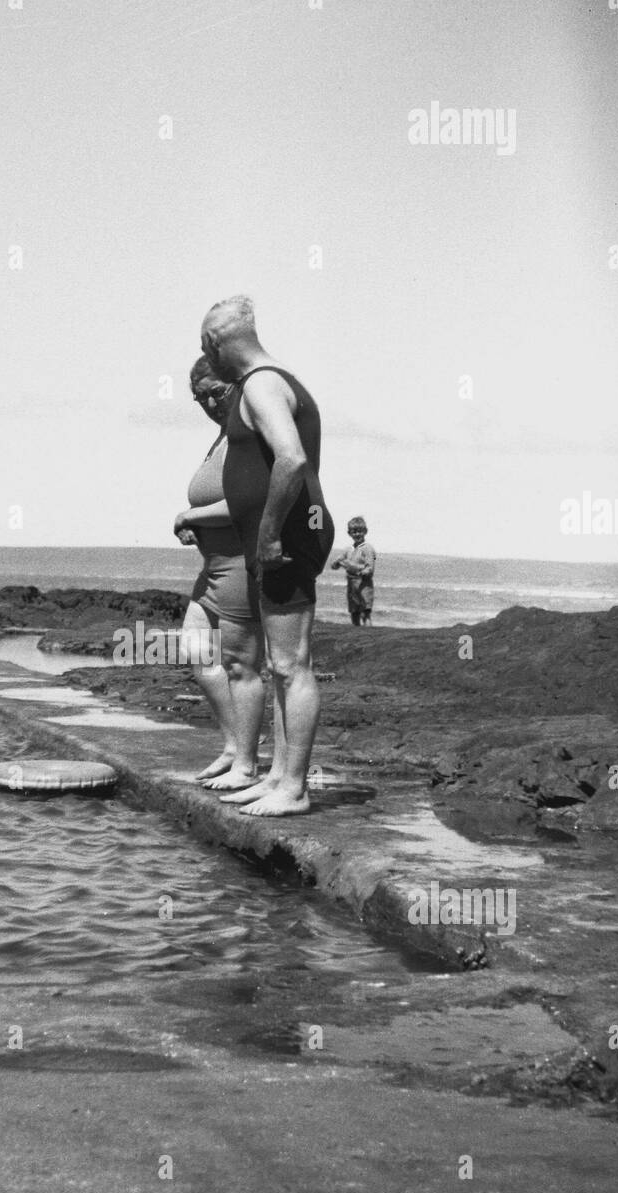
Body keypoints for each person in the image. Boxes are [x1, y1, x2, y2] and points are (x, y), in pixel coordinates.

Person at [202, 295, 335, 817]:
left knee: (290, 663)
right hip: (280, 534)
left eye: (203, 347)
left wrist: (270, 534)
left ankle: (295, 788)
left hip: (287, 537)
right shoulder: (266, 382)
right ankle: (278, 776)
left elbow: (292, 458)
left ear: (214, 344)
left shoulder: (261, 383)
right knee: (281, 665)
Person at [172, 356, 265, 789]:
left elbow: (250, 503)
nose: (209, 402)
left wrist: (188, 516)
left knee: (240, 666)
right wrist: (195, 523)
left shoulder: (249, 433)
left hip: (240, 568)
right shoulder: (222, 435)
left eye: (216, 392)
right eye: (199, 397)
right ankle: (233, 747)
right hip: (212, 569)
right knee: (195, 651)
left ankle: (247, 764)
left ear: (237, 385)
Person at [331, 516, 376, 625]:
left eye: (360, 531)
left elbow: (370, 568)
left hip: (364, 584)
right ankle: (356, 633)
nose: (357, 534)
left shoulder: (367, 548)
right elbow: (335, 565)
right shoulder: (348, 549)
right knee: (354, 612)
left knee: (365, 612)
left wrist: (361, 572)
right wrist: (337, 563)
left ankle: (368, 633)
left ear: (365, 531)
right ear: (349, 533)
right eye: (354, 532)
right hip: (351, 585)